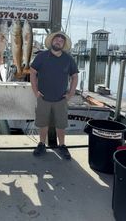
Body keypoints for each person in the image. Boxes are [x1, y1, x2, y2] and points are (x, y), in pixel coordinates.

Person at [30, 31, 78, 160]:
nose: (58, 42)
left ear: (63, 44)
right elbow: (33, 72)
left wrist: (71, 93)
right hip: (43, 97)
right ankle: (41, 144)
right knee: (43, 123)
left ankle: (62, 145)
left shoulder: (68, 59)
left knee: (61, 124)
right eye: (56, 40)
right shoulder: (41, 56)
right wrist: (35, 91)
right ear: (51, 42)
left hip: (61, 99)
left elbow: (74, 76)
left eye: (61, 41)